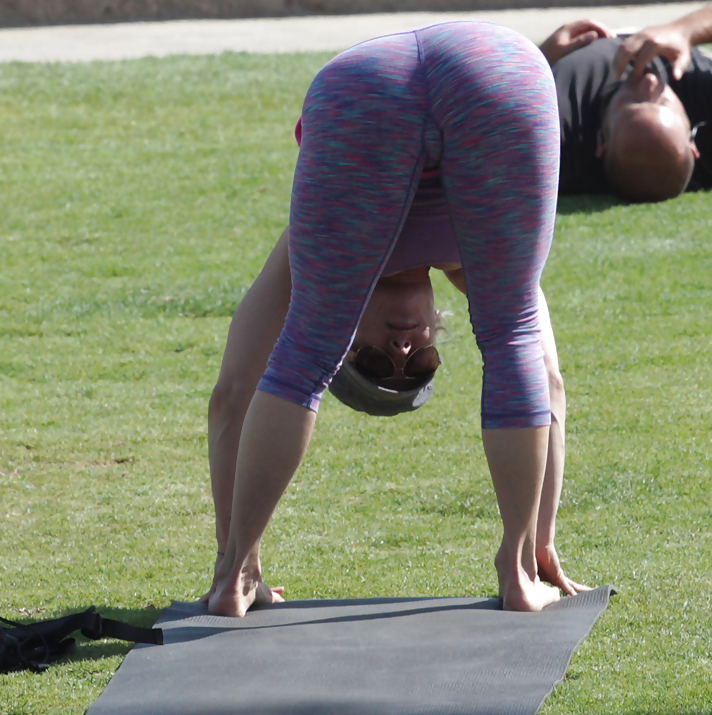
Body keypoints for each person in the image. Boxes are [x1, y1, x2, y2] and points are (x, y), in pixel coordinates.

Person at [203, 21, 590, 618]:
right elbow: (548, 383)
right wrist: (541, 539)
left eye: (377, 363)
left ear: (348, 342)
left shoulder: (312, 270)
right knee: (511, 330)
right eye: (422, 365)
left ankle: (232, 579)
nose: (404, 352)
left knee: (303, 353)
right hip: (497, 68)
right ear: (439, 331)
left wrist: (236, 557)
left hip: (365, 88)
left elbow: (231, 396)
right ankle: (518, 571)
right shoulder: (473, 267)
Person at [540, 5, 712, 201]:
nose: (649, 82)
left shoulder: (555, 137)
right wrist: (684, 30)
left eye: (633, 102)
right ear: (693, 144)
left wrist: (538, 58)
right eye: (662, 101)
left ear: (601, 141)